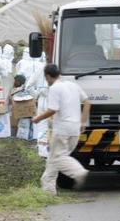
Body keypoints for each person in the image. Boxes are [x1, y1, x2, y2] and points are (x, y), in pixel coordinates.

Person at [32, 64, 91, 195]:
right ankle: (48, 191)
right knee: (53, 159)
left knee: (59, 158)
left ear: (48, 76)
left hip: (62, 130)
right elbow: (87, 102)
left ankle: (80, 173)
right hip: (75, 130)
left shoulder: (54, 88)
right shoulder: (73, 85)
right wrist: (83, 121)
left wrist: (38, 118)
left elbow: (52, 110)